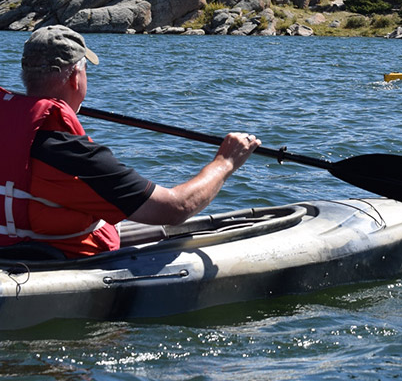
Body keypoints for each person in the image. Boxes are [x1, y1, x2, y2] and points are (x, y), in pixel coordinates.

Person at [0, 25, 261, 259]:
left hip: (13, 250)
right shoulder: (73, 155)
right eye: (86, 70)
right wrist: (225, 162)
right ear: (75, 77)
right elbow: (175, 208)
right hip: (61, 262)